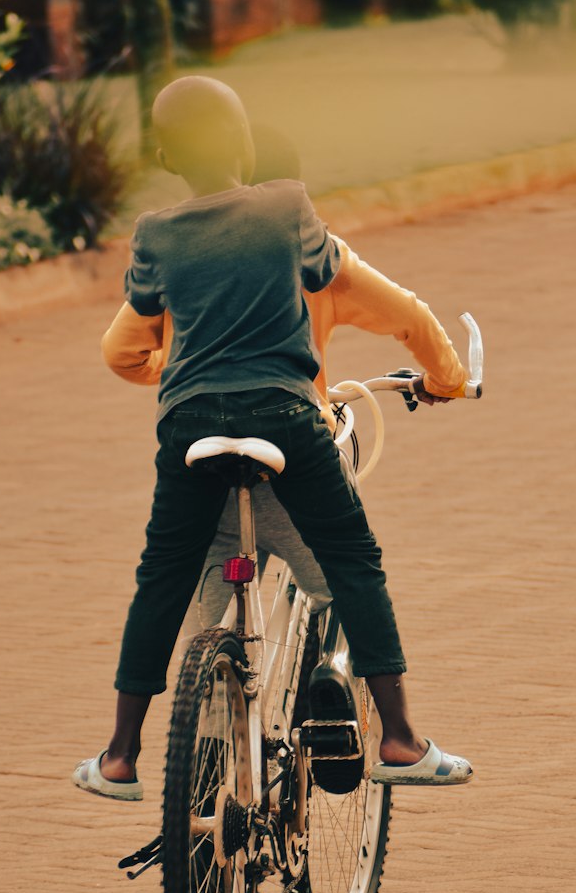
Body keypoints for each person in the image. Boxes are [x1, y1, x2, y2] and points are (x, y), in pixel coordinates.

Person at [73, 75, 473, 803]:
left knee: (161, 577)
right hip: (286, 416)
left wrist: (179, 363)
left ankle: (120, 755)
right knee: (354, 561)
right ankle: (400, 738)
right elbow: (327, 270)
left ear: (163, 155)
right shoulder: (289, 208)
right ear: (246, 142)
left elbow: (136, 324)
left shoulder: (155, 233)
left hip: (189, 425)